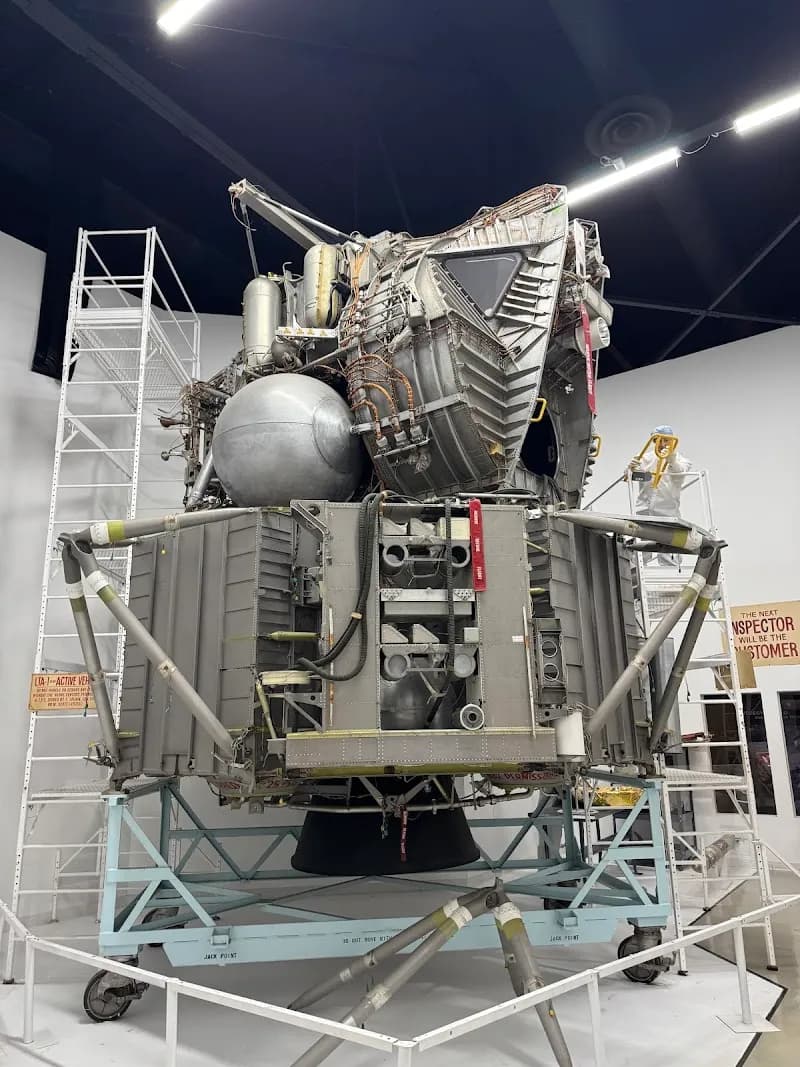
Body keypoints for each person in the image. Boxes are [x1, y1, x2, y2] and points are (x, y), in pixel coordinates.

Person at [631, 425, 692, 566]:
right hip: (644, 511)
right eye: (659, 440)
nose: (663, 444)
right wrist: (631, 469)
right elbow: (634, 478)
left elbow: (679, 476)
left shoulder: (682, 461)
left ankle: (671, 581)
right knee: (641, 552)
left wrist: (672, 461)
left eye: (666, 440)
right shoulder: (645, 459)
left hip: (668, 513)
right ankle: (636, 577)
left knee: (669, 553)